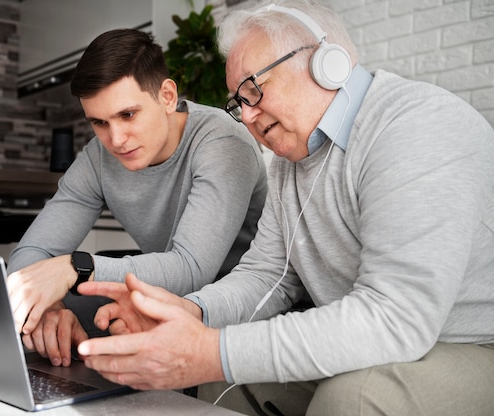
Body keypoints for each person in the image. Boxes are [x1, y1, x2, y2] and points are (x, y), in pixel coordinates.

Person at [66, 1, 494, 415]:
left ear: (327, 62)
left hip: (470, 343)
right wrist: (190, 312)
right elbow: (268, 275)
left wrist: (211, 350)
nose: (247, 116)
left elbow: (395, 319)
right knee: (230, 380)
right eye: (238, 102)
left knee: (355, 399)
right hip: (384, 341)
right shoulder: (291, 164)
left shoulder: (413, 127)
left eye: (253, 88)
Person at [5, 28, 268, 358]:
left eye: (128, 115)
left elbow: (191, 270)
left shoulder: (221, 143)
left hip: (236, 309)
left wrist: (75, 267)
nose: (115, 139)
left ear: (167, 97)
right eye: (99, 122)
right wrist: (49, 308)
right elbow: (32, 251)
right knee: (46, 334)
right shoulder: (98, 158)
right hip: (159, 301)